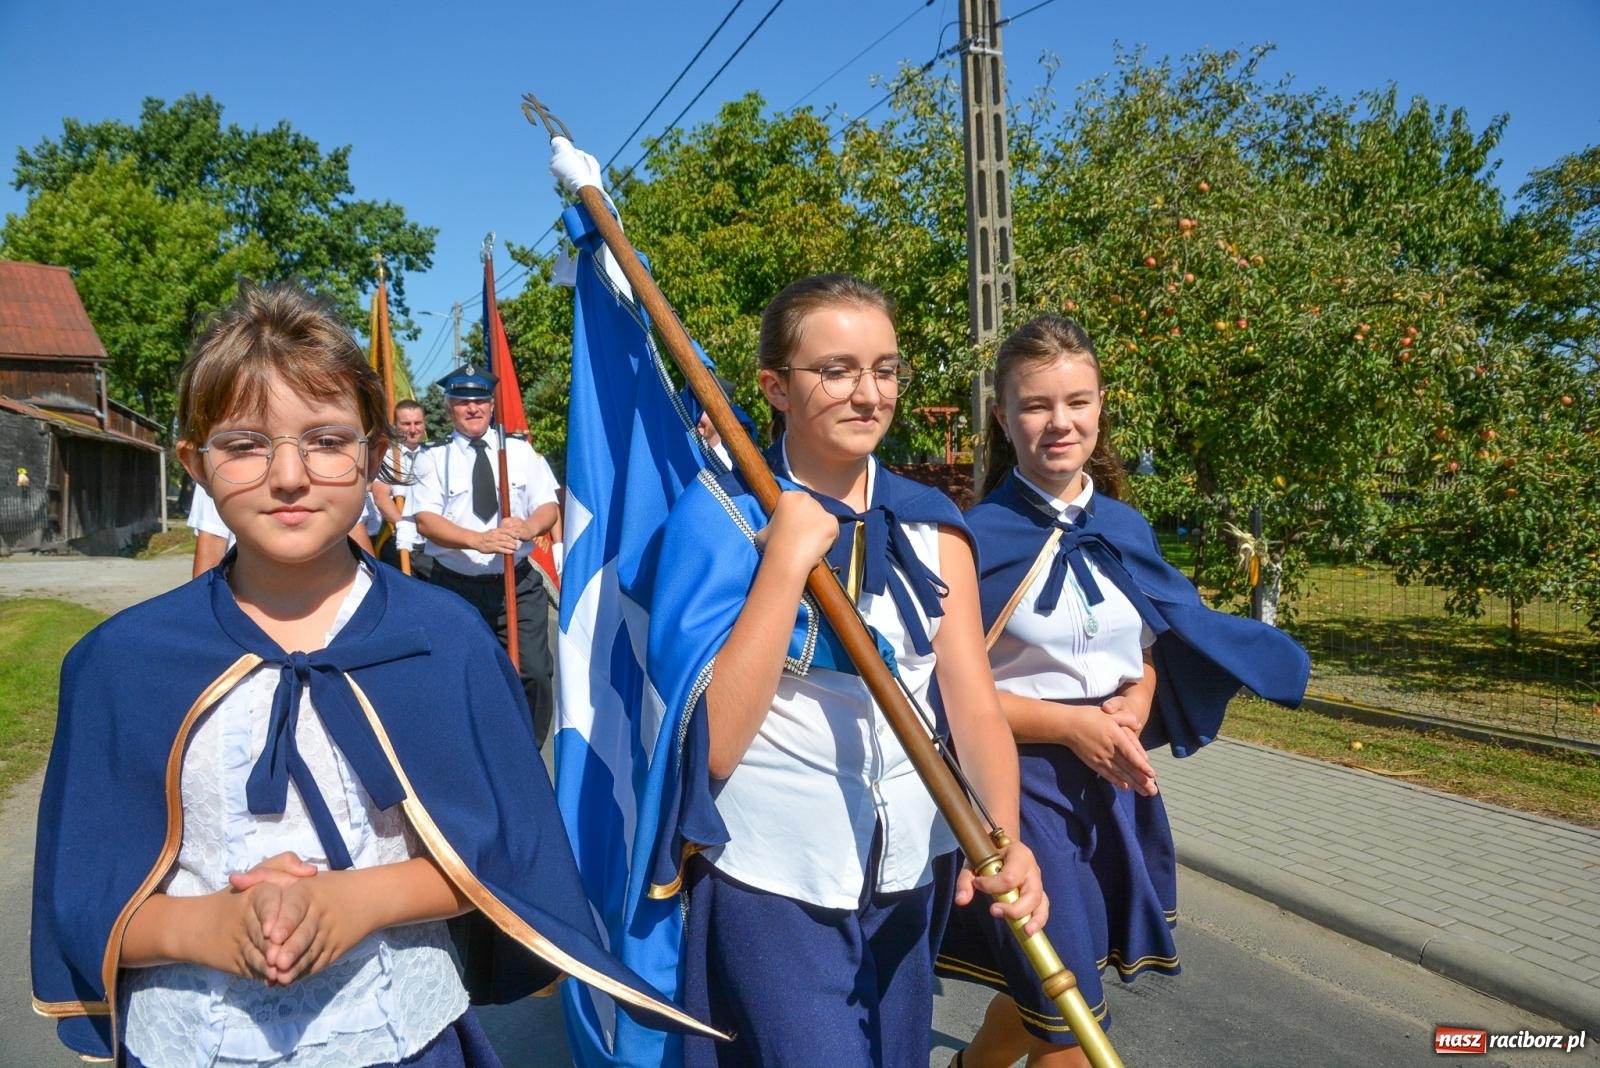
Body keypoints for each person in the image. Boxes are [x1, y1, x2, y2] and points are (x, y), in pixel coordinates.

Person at [30, 281, 715, 1068]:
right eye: (246, 445)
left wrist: (359, 900)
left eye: (325, 440)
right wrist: (205, 929)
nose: (288, 475)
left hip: (399, 1033)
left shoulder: (445, 641)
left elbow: (509, 861)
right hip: (193, 1039)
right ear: (196, 464)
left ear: (374, 457)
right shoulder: (122, 664)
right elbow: (84, 893)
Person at [648, 274, 1047, 1067]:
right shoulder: (720, 518)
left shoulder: (937, 527)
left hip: (908, 864)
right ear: (774, 388)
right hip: (772, 872)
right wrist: (786, 562)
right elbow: (715, 746)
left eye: (886, 369)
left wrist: (1004, 835)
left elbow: (970, 703)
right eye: (836, 370)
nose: (869, 394)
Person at [936, 314, 1310, 1067]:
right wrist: (1073, 728)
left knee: (1046, 989)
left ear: (1101, 405)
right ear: (1004, 417)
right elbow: (943, 697)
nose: (1059, 422)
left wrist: (1136, 707)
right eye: (1036, 406)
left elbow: (1152, 641)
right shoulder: (970, 537)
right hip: (1017, 790)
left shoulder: (1127, 527)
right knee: (1070, 1018)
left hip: (1108, 789)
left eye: (1077, 401)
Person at [409, 368, 559, 747]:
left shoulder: (519, 452)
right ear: (449, 409)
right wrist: (479, 540)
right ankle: (471, 751)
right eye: (462, 402)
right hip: (457, 587)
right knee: (461, 674)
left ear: (492, 405)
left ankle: (527, 752)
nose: (472, 408)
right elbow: (426, 521)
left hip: (517, 585)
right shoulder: (433, 458)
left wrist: (526, 528)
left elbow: (548, 507)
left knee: (535, 674)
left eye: (479, 401)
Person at [191, 483, 380, 578]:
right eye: (246, 446)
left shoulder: (342, 482)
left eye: (326, 442)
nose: (289, 480)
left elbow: (359, 540)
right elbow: (210, 555)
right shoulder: (223, 481)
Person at [371, 398, 432, 578]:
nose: (413, 429)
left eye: (417, 423)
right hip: (400, 538)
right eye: (406, 424)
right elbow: (381, 497)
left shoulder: (434, 453)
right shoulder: (388, 456)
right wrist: (402, 524)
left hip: (431, 540)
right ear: (395, 425)